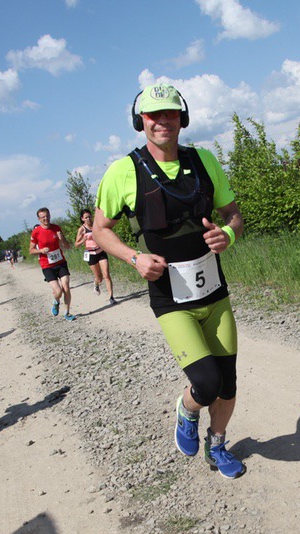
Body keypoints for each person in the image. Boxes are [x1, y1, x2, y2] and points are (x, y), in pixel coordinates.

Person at [93, 83, 245, 479]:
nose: (163, 121)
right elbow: (100, 230)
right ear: (140, 121)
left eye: (171, 113)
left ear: (183, 117)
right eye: (154, 115)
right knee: (206, 383)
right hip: (171, 299)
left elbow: (233, 215)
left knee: (228, 384)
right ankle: (187, 410)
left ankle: (218, 444)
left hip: (215, 292)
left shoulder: (204, 160)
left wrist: (228, 235)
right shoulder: (123, 171)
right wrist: (135, 257)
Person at [30, 207, 76, 321]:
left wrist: (62, 238)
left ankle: (67, 313)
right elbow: (31, 250)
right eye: (43, 217)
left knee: (66, 286)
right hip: (47, 266)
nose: (46, 218)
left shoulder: (56, 228)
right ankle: (56, 302)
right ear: (39, 219)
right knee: (58, 291)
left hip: (60, 262)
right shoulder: (36, 232)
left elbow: (67, 246)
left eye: (47, 216)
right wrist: (41, 251)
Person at [73, 208, 116, 305]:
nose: (88, 219)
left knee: (106, 275)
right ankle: (96, 284)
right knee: (99, 278)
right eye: (86, 217)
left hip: (101, 252)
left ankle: (111, 297)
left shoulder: (96, 225)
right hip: (91, 254)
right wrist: (83, 240)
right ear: (82, 219)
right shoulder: (82, 229)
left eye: (89, 217)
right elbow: (76, 244)